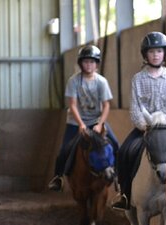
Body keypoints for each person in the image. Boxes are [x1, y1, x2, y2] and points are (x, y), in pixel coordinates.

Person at [112, 31, 166, 210]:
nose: (156, 55)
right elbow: (135, 108)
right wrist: (144, 126)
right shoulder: (138, 79)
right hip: (145, 128)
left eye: (159, 51)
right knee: (124, 152)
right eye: (152, 52)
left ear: (164, 53)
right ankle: (125, 194)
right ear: (146, 55)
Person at [48, 45, 119, 191]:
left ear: (96, 64)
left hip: (96, 122)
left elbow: (106, 105)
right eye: (86, 62)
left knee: (116, 145)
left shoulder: (101, 82)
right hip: (75, 122)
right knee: (64, 151)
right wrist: (81, 124)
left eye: (92, 62)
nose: (89, 65)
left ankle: (117, 176)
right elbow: (72, 105)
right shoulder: (73, 81)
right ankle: (58, 177)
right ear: (81, 63)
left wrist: (100, 124)